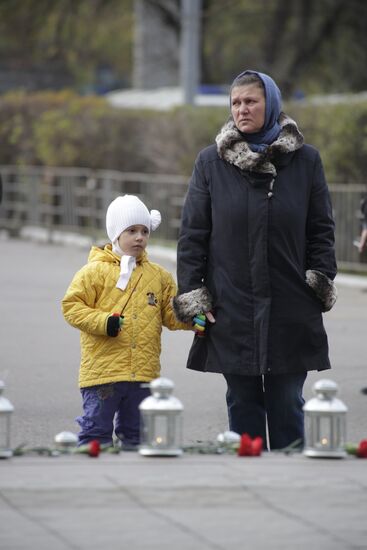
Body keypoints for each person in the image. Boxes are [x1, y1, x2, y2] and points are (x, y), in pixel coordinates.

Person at [173, 70, 337, 451]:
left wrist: (317, 281)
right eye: (236, 102)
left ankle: (290, 480)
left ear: (272, 104)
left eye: (251, 101)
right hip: (231, 305)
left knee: (287, 401)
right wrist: (196, 296)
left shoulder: (306, 160)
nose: (242, 109)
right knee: (242, 401)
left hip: (291, 304)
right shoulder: (210, 163)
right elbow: (193, 234)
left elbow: (322, 230)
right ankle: (246, 478)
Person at [62, 194, 191, 449]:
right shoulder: (94, 272)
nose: (140, 237)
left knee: (137, 435)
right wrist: (102, 322)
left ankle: (133, 478)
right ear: (115, 234)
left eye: (144, 231)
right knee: (95, 432)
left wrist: (193, 318)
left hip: (143, 373)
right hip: (102, 373)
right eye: (131, 230)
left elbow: (170, 313)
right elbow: (71, 307)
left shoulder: (159, 276)